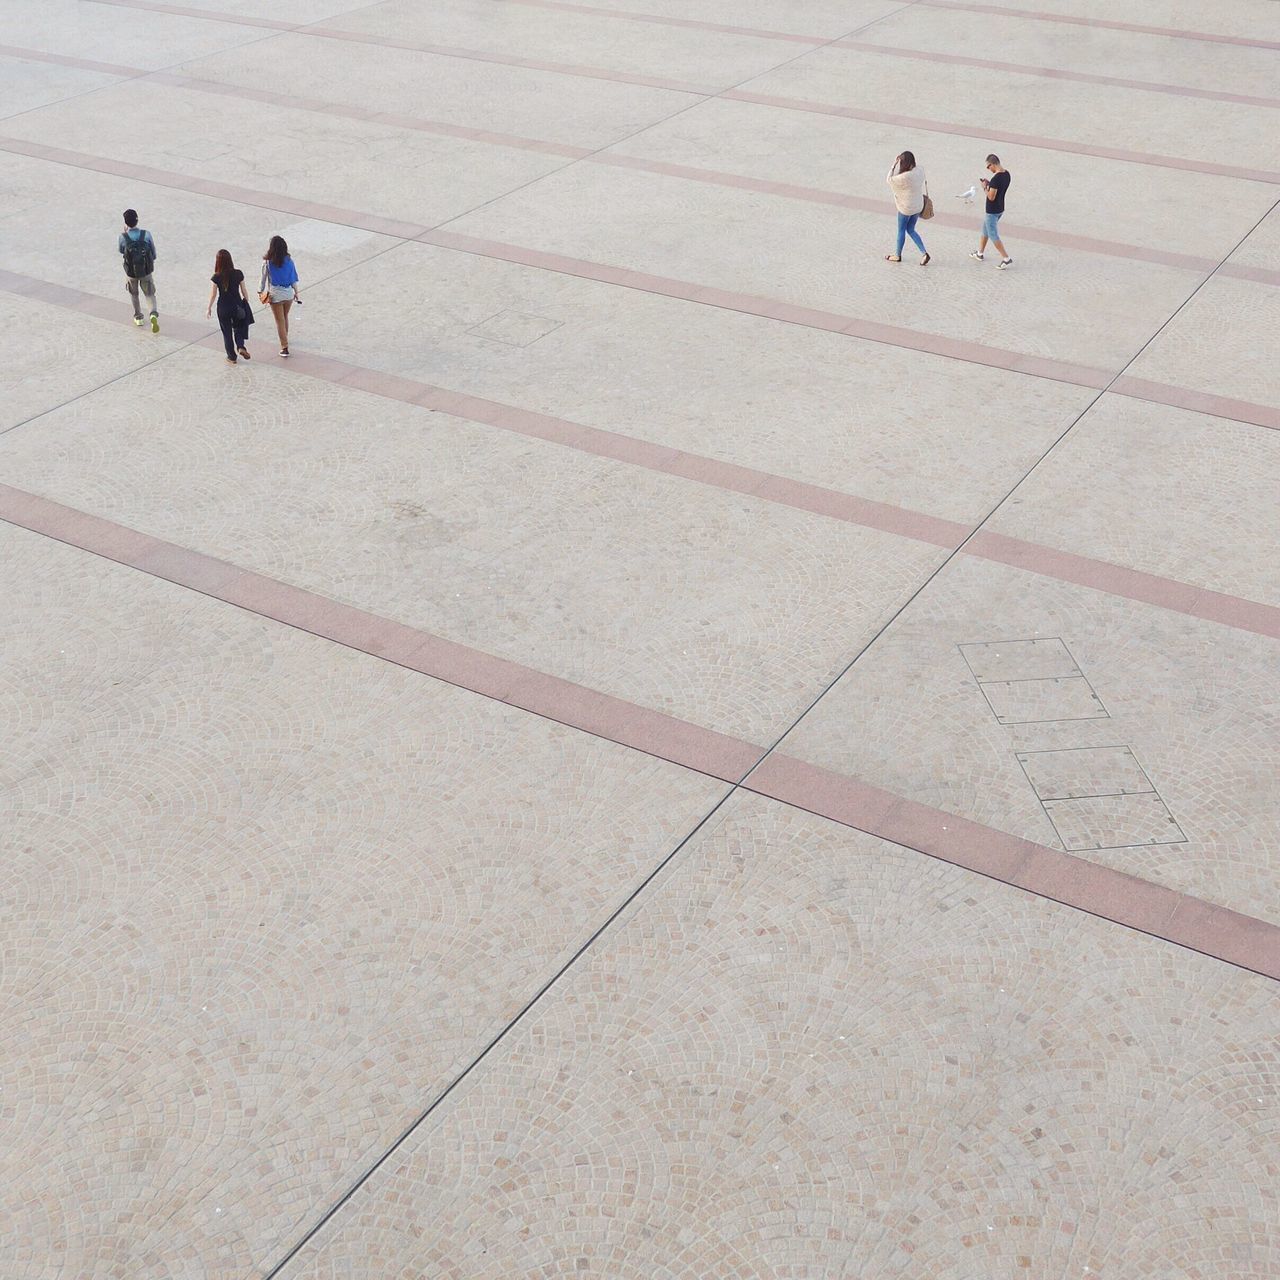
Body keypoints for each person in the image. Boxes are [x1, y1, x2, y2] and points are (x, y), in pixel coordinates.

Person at [205, 249, 254, 364]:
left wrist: (209, 308)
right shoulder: (238, 274)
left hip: (223, 308)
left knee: (226, 333)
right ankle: (241, 346)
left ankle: (231, 357)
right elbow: (244, 290)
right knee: (239, 327)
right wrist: (246, 301)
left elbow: (213, 295)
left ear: (218, 262)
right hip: (237, 306)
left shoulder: (216, 277)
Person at [885, 151, 930, 266]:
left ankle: (897, 255)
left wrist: (894, 164)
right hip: (918, 206)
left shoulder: (903, 177)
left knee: (901, 230)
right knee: (910, 229)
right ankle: (924, 253)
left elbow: (889, 179)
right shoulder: (920, 170)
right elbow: (919, 167)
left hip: (906, 208)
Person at [118, 208, 159, 332]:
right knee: (150, 294)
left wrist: (124, 234)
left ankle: (138, 317)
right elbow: (153, 252)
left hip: (131, 272)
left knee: (134, 294)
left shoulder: (123, 236)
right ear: (137, 219)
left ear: (125, 222)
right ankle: (153, 314)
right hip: (146, 270)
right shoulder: (146, 234)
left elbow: (121, 250)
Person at [259, 235, 300, 356]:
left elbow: (263, 279)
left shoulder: (267, 263)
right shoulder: (289, 261)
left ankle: (284, 347)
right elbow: (293, 279)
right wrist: (296, 293)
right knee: (285, 316)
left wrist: (260, 291)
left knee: (279, 321)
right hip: (288, 294)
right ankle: (285, 338)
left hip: (275, 295)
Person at [971, 154, 1013, 269]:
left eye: (988, 166)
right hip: (1000, 209)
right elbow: (999, 190)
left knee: (993, 234)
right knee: (985, 231)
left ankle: (1006, 258)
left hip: (992, 211)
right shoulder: (1007, 174)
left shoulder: (995, 179)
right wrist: (990, 185)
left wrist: (985, 187)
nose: (988, 169)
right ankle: (980, 253)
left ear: (993, 164)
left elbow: (991, 197)